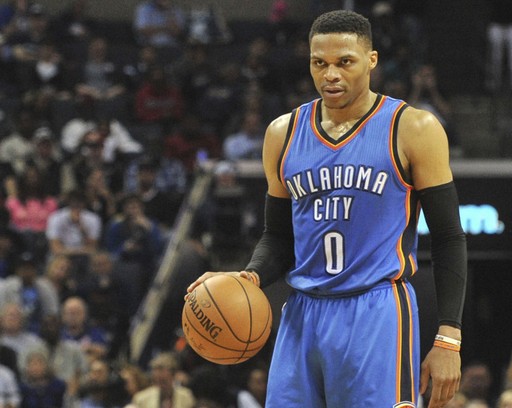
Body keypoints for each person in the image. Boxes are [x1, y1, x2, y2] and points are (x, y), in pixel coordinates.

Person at [186, 9, 467, 408]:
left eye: (344, 62)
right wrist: (250, 276)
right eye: (319, 63)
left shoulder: (413, 128)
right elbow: (278, 236)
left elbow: (449, 236)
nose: (330, 74)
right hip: (302, 311)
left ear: (371, 60)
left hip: (376, 309)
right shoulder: (282, 133)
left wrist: (448, 336)